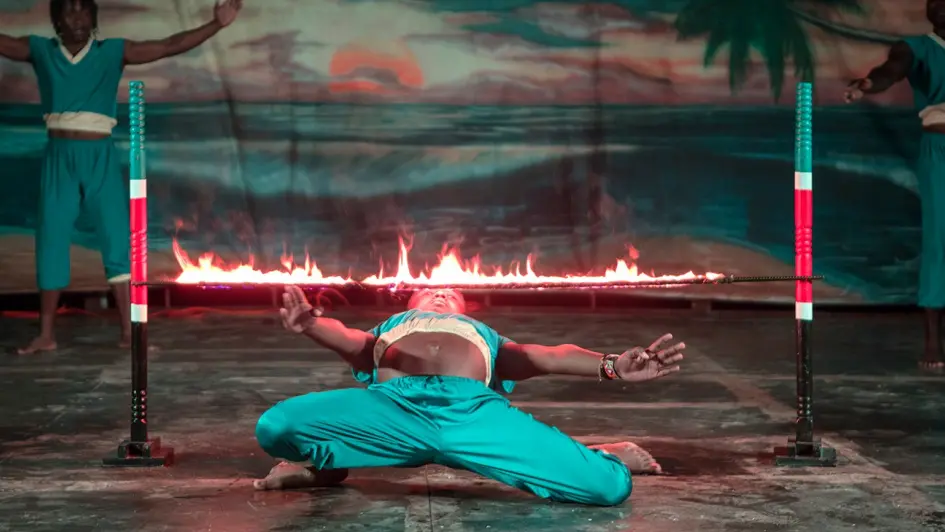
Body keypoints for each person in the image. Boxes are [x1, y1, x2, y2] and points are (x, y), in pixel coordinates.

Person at [252, 286, 686, 506]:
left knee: (610, 487)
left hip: (472, 414)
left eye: (452, 294)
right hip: (393, 408)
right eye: (430, 291)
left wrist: (612, 365)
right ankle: (327, 467)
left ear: (464, 309)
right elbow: (347, 337)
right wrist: (310, 325)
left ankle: (599, 455)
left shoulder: (484, 334)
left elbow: (549, 355)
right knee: (275, 426)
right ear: (411, 301)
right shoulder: (391, 326)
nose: (442, 293)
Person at [0, 0, 242, 354]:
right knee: (51, 240)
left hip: (99, 156)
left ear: (93, 17)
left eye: (84, 10)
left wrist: (216, 24)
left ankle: (130, 333)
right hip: (58, 157)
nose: (77, 17)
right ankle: (46, 335)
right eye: (69, 11)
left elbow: (169, 45)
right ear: (57, 20)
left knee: (116, 240)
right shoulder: (41, 50)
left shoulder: (113, 52)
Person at [845, 0, 945, 371]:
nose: (940, 6)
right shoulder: (915, 48)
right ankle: (933, 341)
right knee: (939, 241)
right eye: (934, 0)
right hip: (940, 150)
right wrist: (868, 84)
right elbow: (891, 70)